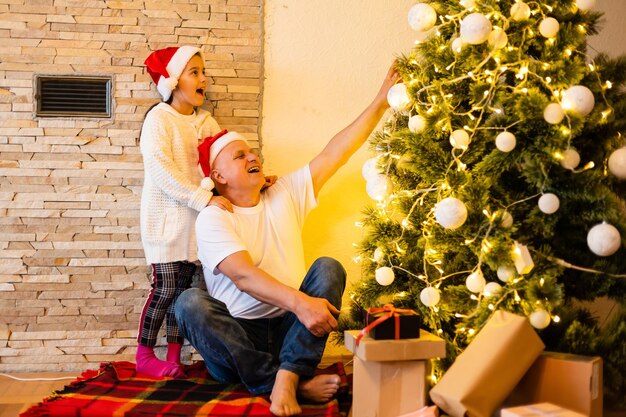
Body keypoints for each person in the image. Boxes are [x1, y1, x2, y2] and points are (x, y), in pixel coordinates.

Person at [175, 64, 400, 416]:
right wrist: (301, 303)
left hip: (290, 333)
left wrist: (380, 103)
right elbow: (243, 276)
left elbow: (336, 153)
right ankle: (286, 382)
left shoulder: (284, 192)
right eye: (240, 155)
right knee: (189, 303)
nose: (253, 156)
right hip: (238, 344)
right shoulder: (213, 217)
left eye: (252, 152)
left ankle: (288, 373)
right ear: (218, 175)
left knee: (329, 268)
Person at [137, 45, 234, 378]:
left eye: (202, 72)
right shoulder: (158, 119)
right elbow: (162, 172)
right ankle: (145, 355)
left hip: (197, 225)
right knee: (164, 289)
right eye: (195, 72)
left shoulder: (207, 121)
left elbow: (223, 164)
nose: (203, 79)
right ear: (174, 81)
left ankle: (175, 356)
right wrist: (202, 198)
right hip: (165, 223)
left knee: (185, 293)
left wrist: (255, 181)